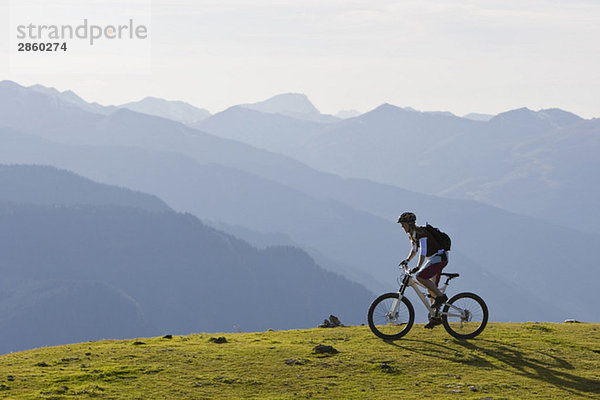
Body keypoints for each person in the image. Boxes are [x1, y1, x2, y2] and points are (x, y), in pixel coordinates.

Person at [397, 212, 448, 329]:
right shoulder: (413, 234)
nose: (402, 227)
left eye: (403, 224)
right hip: (434, 258)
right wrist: (407, 260)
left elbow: (423, 251)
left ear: (409, 224)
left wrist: (418, 267)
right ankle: (435, 316)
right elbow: (414, 250)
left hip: (439, 258)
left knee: (420, 276)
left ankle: (441, 296)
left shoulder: (422, 233)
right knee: (430, 287)